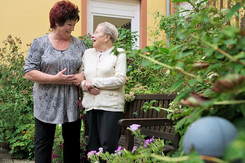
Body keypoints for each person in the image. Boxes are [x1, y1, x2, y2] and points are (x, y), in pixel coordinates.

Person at [24, 1, 87, 162]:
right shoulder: (40, 43)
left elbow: (87, 68)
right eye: (69, 24)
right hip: (45, 103)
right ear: (57, 22)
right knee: (43, 144)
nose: (72, 28)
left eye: (74, 25)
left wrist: (83, 75)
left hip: (72, 103)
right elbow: (29, 72)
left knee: (72, 144)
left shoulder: (79, 44)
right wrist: (55, 79)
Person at [79, 22, 127, 159]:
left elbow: (119, 80)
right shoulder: (88, 53)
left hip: (111, 106)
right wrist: (85, 85)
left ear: (107, 37)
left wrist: (93, 82)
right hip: (90, 105)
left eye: (96, 32)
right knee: (92, 148)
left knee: (107, 148)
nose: (92, 35)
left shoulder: (119, 53)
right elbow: (81, 75)